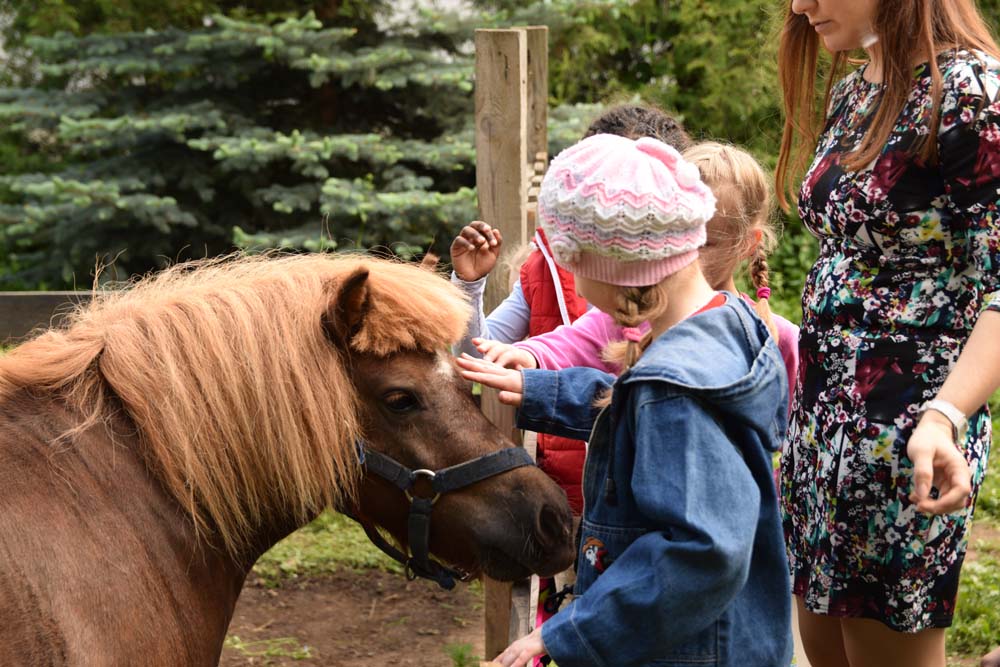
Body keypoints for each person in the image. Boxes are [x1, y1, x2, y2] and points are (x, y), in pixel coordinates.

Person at [458, 133, 793, 667]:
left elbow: (702, 553)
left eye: (577, 266)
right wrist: (541, 389)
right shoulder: (729, 322)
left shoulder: (674, 391)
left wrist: (564, 633)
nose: (576, 284)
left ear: (622, 273)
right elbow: (631, 409)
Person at [776, 2, 1000, 665]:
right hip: (821, 438)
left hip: (905, 443)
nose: (799, 5)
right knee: (824, 655)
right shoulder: (857, 88)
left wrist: (944, 417)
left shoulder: (971, 93)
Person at [473, 142, 800, 411]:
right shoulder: (630, 313)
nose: (684, 253)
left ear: (747, 243)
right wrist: (531, 355)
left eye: (704, 244)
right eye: (676, 237)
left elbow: (793, 436)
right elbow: (573, 342)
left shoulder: (775, 335)